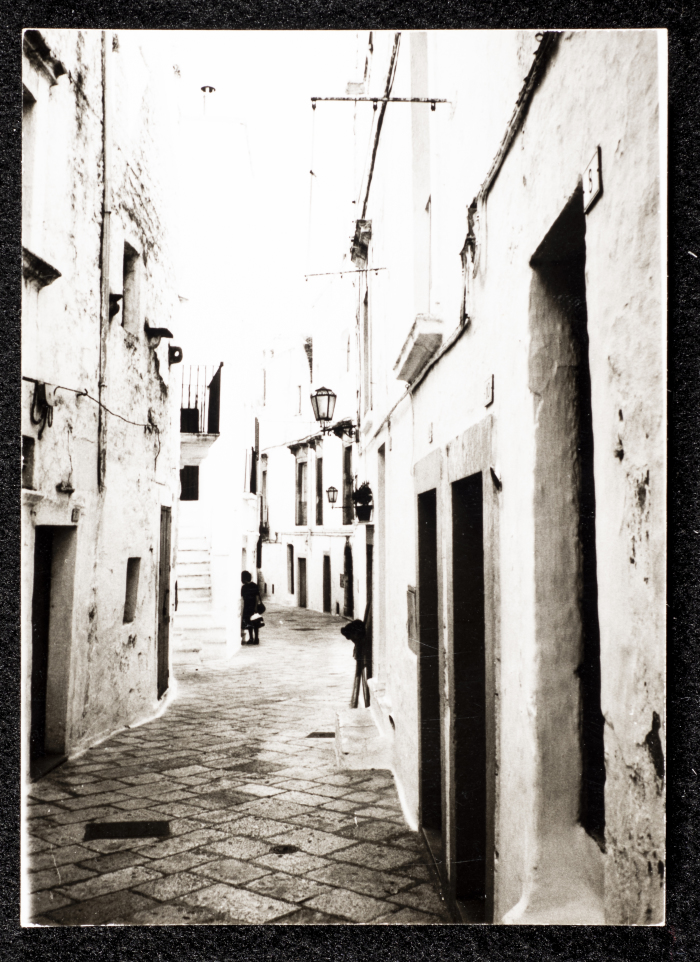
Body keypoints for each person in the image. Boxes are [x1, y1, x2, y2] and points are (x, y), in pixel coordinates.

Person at [240, 570, 263, 645]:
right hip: (250, 607)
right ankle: (253, 638)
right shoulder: (252, 586)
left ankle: (254, 638)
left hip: (250, 607)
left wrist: (255, 607)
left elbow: (256, 597)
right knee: (252, 623)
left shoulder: (247, 587)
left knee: (253, 623)